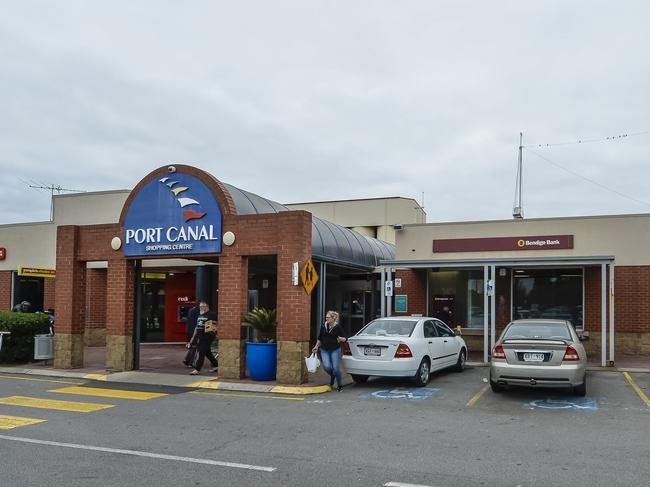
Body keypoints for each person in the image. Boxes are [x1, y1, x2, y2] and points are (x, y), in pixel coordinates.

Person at [312, 310, 346, 392]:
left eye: (328, 317)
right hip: (324, 350)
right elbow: (320, 338)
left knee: (336, 368)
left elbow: (344, 338)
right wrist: (316, 346)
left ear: (333, 318)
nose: (326, 318)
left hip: (335, 349)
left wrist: (341, 339)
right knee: (326, 367)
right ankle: (333, 375)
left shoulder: (338, 327)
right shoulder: (323, 326)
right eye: (326, 317)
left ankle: (339, 385)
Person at [188, 301, 219, 375]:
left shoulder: (211, 314)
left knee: (201, 352)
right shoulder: (200, 315)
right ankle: (216, 365)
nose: (202, 308)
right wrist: (193, 337)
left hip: (208, 336)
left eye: (203, 306)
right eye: (201, 306)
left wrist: (215, 334)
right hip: (200, 336)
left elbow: (214, 325)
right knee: (207, 352)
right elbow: (197, 326)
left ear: (207, 306)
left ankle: (197, 369)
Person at [182, 303, 200, 368]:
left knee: (192, 346)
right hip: (195, 331)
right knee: (194, 347)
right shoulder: (199, 312)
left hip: (189, 330)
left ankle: (187, 359)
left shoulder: (191, 310)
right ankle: (190, 362)